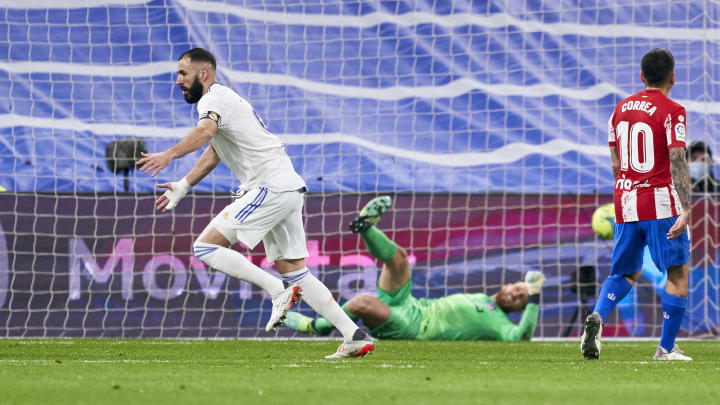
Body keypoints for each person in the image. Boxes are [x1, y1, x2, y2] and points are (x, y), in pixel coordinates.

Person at [136, 48, 373, 359]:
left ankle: (277, 292)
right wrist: (183, 185)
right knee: (294, 270)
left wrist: (168, 155)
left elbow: (205, 131)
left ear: (203, 74)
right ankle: (353, 335)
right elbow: (215, 150)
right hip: (288, 187)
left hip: (268, 186)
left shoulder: (212, 100)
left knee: (205, 248)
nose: (178, 80)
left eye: (183, 73)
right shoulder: (227, 100)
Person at [283, 196, 546, 341]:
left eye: (521, 299)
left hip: (413, 327)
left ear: (519, 310)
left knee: (362, 301)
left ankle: (316, 326)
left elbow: (521, 337)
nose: (515, 295)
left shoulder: (500, 326)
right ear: (507, 285)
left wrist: (534, 298)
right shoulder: (483, 300)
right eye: (517, 289)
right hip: (412, 305)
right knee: (399, 257)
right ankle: (366, 228)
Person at [581, 48, 692, 361]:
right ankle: (665, 349)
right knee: (677, 273)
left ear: (642, 76)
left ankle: (598, 317)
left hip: (625, 201)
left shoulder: (619, 110)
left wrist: (624, 193)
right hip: (660, 202)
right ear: (673, 77)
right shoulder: (673, 110)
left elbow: (616, 164)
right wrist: (686, 207)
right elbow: (677, 157)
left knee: (625, 272)